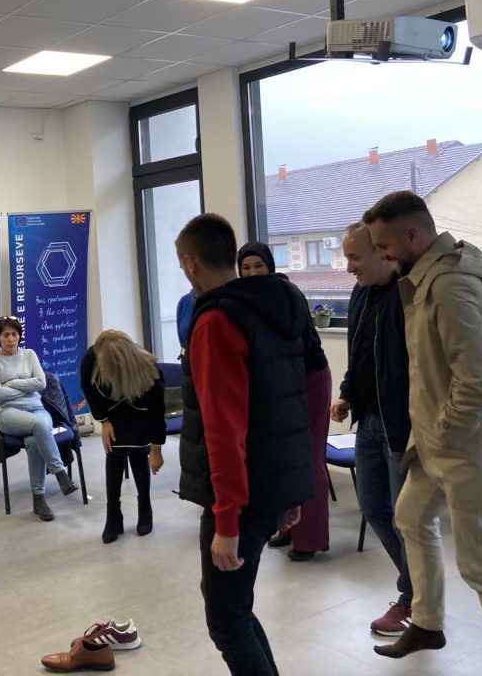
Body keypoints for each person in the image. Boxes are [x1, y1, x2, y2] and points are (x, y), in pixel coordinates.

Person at [363, 191, 482, 674]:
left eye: (383, 246)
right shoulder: (424, 280)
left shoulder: (449, 287)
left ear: (412, 235)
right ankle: (427, 622)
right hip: (437, 445)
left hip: (471, 449)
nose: (380, 255)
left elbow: (481, 381)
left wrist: (443, 431)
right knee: (410, 516)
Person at [175, 214, 312, 676]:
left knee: (226, 621)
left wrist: (226, 520)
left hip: (241, 495)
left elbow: (223, 428)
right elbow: (292, 404)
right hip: (271, 484)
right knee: (235, 609)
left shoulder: (216, 320)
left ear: (191, 263)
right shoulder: (275, 306)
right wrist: (290, 493)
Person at [330, 222, 413, 636]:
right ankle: (420, 589)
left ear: (381, 252)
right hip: (368, 422)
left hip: (402, 427)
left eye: (354, 257)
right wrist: (347, 393)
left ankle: (412, 597)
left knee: (408, 520)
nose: (349, 267)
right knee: (375, 508)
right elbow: (359, 353)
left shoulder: (409, 295)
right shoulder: (361, 293)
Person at [237, 241, 331, 561]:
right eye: (246, 268)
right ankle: (290, 526)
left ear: (270, 267)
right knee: (287, 458)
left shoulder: (288, 294)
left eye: (258, 266)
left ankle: (310, 539)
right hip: (282, 383)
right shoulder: (248, 299)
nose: (252, 273)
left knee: (309, 458)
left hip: (310, 379)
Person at [0, 315, 78, 522]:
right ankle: (59, 472)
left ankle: (38, 499)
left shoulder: (30, 355)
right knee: (38, 425)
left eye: (14, 334)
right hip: (8, 414)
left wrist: (12, 383)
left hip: (37, 408)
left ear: (19, 336)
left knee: (34, 440)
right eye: (6, 335)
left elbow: (41, 383)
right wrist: (27, 385)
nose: (11, 339)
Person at [79, 330, 165, 544]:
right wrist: (103, 421)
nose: (99, 365)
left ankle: (145, 508)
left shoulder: (150, 372)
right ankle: (113, 516)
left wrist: (156, 449)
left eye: (104, 362)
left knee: (137, 452)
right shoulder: (92, 357)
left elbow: (156, 414)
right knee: (114, 451)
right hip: (112, 408)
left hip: (138, 408)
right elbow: (88, 388)